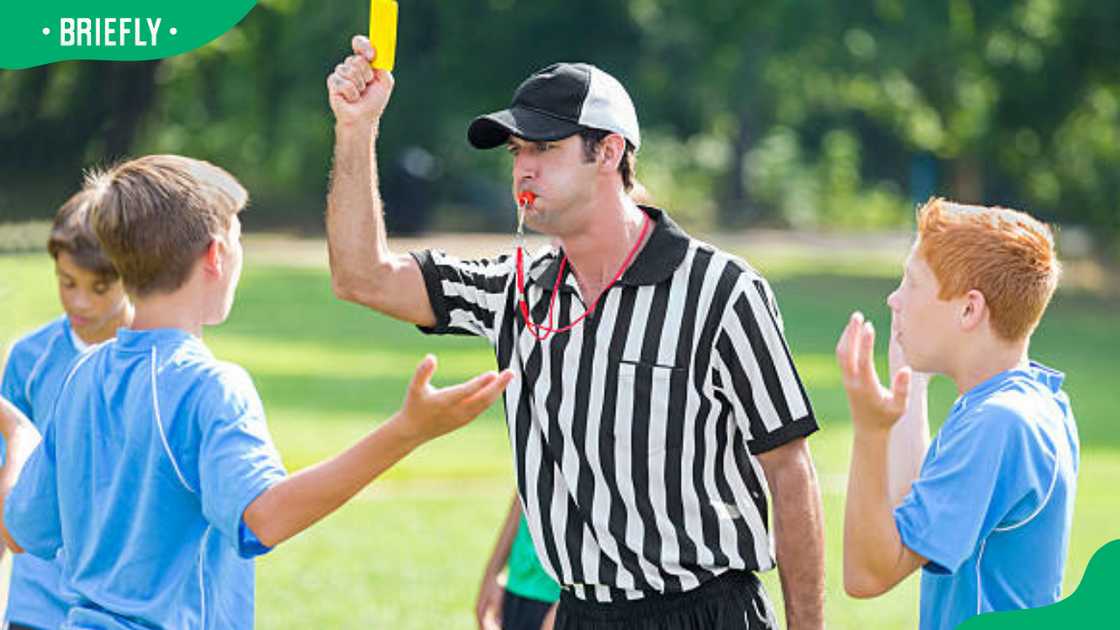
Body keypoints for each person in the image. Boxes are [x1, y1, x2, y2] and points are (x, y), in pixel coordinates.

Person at [325, 37, 825, 629]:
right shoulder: (514, 290)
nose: (523, 168)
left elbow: (789, 472)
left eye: (544, 147)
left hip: (707, 610)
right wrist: (357, 131)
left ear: (609, 152)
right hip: (580, 614)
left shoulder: (722, 291)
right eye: (516, 151)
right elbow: (364, 277)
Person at [0, 154, 513, 628]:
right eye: (239, 238)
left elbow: (25, 530)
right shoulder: (210, 387)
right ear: (216, 255)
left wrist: (22, 435)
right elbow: (264, 518)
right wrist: (408, 431)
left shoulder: (80, 376)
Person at [837, 198, 1078, 630]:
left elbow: (868, 574)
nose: (894, 299)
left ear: (969, 308)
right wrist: (908, 383)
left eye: (911, 283)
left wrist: (871, 432)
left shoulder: (998, 423)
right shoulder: (1029, 402)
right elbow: (912, 511)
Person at [0, 191, 134, 630]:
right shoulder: (29, 357)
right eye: (66, 281)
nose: (79, 302)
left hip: (120, 603)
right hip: (36, 603)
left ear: (133, 274)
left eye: (100, 288)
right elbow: (8, 482)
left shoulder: (155, 356)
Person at [477, 493, 561, 630]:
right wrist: (492, 574)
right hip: (516, 591)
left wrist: (569, 603)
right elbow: (523, 491)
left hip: (562, 601)